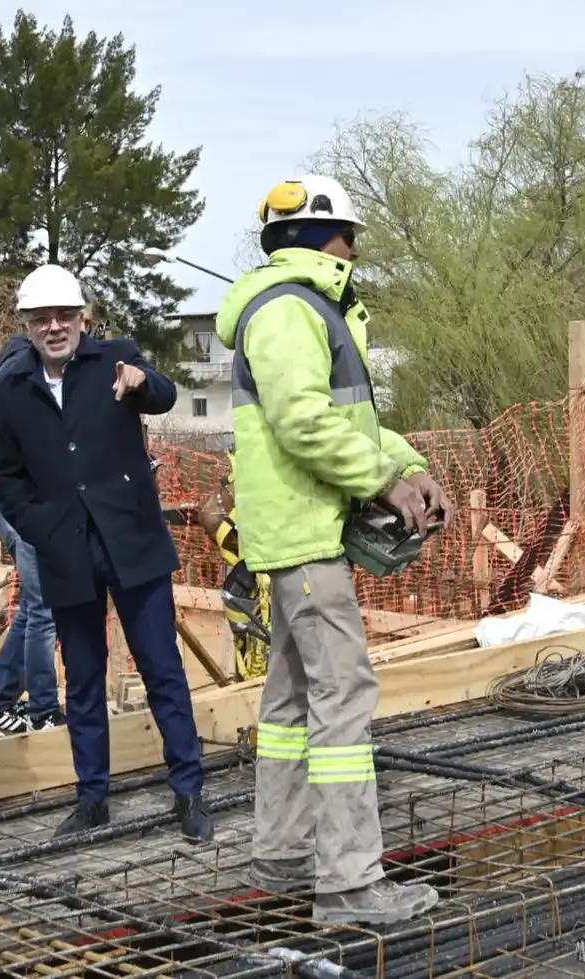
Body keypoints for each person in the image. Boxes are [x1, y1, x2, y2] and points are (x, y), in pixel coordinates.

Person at [217, 174, 449, 925]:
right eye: (353, 235)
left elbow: (343, 420)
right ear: (326, 238)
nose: (358, 248)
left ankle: (283, 849)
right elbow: (304, 423)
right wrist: (384, 481)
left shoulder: (308, 306)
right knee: (343, 697)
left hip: (294, 536)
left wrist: (405, 463)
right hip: (306, 537)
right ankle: (349, 884)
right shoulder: (289, 310)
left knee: (289, 700)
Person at [0, 263, 212, 841]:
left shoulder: (116, 359)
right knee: (82, 680)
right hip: (68, 552)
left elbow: (163, 396)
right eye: (43, 318)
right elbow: (5, 477)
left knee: (161, 669)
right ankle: (93, 799)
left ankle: (189, 792)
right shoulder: (12, 390)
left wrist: (143, 382)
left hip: (132, 541)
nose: (55, 326)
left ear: (83, 317)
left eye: (65, 316)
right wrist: (44, 530)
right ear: (29, 325)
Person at [0, 507, 64, 737]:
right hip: (30, 514)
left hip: (33, 515)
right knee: (44, 608)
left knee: (35, 608)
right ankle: (43, 713)